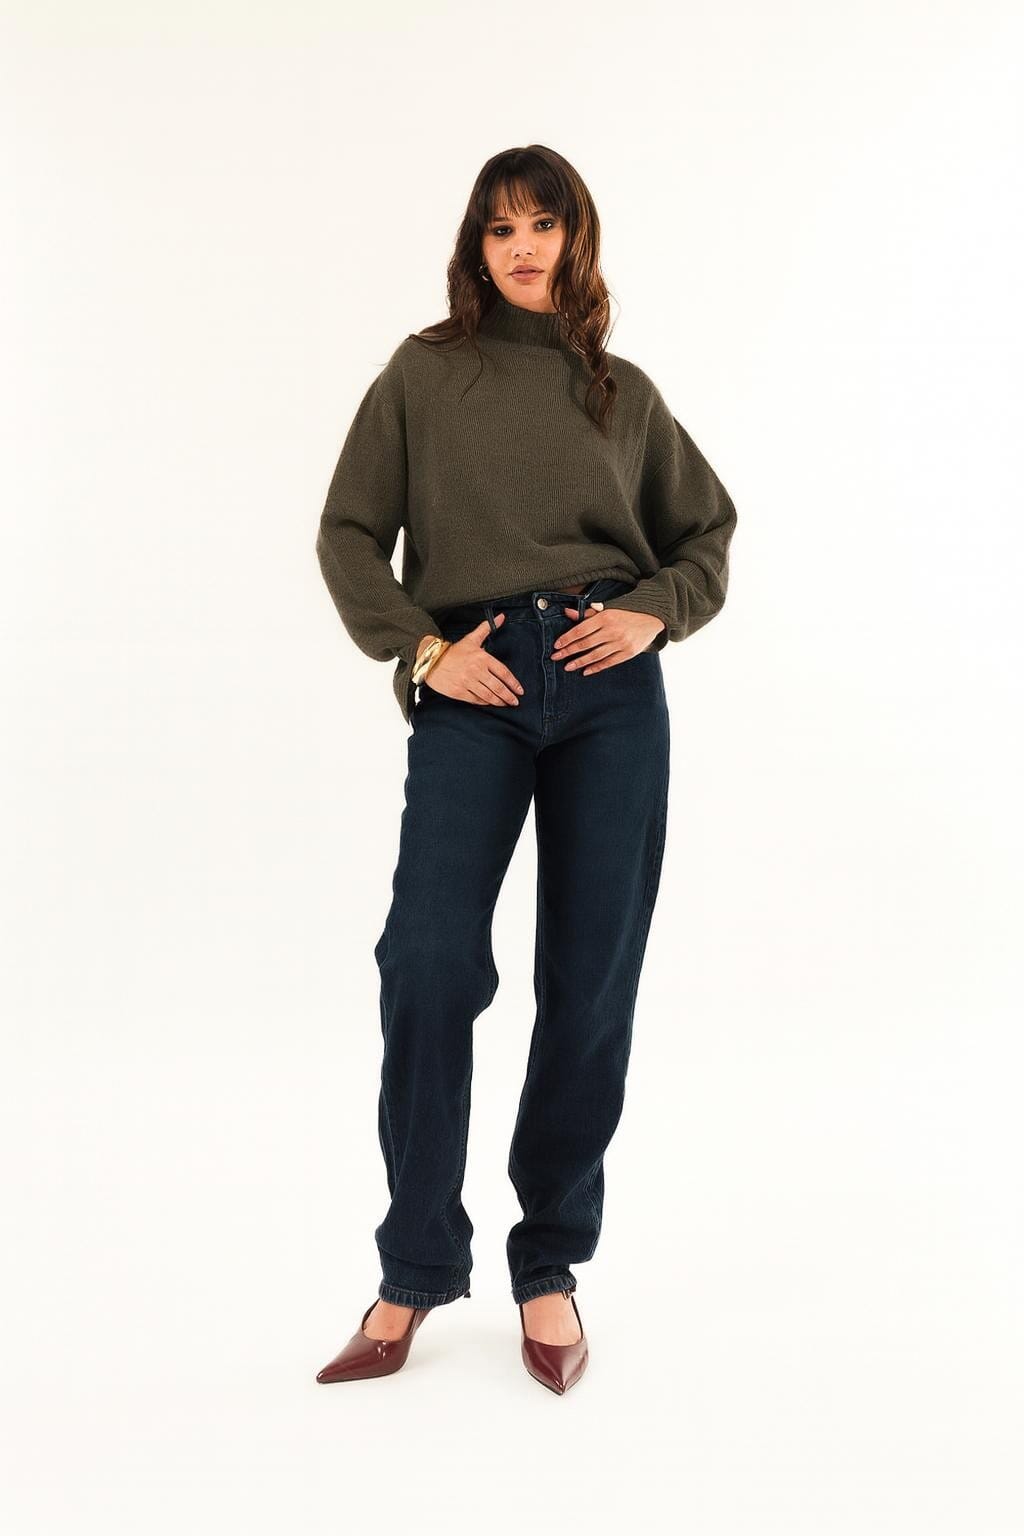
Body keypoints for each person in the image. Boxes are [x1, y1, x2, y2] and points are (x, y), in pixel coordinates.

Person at [313, 144, 737, 1395]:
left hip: (609, 689)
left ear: (575, 238)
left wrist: (654, 610)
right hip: (478, 683)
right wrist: (422, 652)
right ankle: (414, 1265)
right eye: (499, 227)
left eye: (542, 223)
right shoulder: (423, 373)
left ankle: (547, 1261)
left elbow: (706, 534)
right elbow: (349, 535)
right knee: (428, 960)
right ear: (475, 244)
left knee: (589, 975)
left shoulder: (622, 393)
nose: (522, 246)